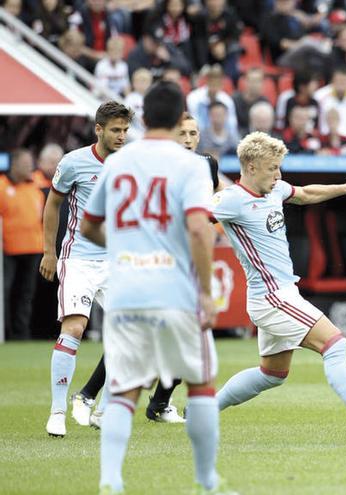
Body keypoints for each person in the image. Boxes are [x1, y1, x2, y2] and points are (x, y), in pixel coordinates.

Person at [79, 81, 229, 494]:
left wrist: (128, 248)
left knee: (123, 388)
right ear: (179, 113)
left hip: (127, 289)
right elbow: (199, 230)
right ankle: (207, 480)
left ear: (143, 116)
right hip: (175, 289)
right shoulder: (192, 166)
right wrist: (204, 292)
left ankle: (110, 481)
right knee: (200, 383)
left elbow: (90, 224)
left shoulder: (118, 163)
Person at [211, 132, 346, 441]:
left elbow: (305, 193)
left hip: (281, 295)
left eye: (279, 167)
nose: (278, 175)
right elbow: (194, 218)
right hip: (272, 297)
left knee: (271, 374)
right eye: (272, 167)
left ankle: (203, 410)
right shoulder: (232, 199)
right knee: (335, 343)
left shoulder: (273, 189)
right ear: (249, 166)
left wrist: (345, 188)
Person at [42, 101, 132, 437]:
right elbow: (53, 204)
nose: (122, 136)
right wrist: (48, 252)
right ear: (99, 129)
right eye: (115, 130)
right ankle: (57, 411)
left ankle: (103, 408)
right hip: (78, 257)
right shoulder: (74, 162)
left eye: (125, 130)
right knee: (76, 327)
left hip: (117, 261)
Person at [0, 149, 44, 341]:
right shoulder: (2, 187)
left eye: (30, 163)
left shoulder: (35, 188)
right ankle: (6, 332)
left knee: (27, 295)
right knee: (6, 292)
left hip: (33, 248)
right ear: (15, 164)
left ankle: (22, 334)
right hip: (8, 249)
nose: (29, 167)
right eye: (25, 163)